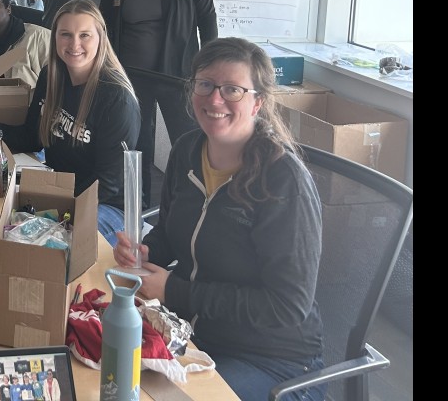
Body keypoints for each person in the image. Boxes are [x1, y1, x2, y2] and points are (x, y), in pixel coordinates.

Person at [114, 38, 324, 401]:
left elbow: (287, 306)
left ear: (257, 101)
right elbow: (170, 230)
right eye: (205, 85)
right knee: (112, 370)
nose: (214, 100)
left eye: (232, 90)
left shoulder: (283, 182)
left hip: (271, 359)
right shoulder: (187, 151)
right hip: (193, 333)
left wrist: (176, 291)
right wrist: (147, 251)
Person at [0, 0, 140, 246]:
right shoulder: (51, 76)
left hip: (108, 206)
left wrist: (56, 211)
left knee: (50, 246)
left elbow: (108, 184)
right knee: (0, 226)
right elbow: (31, 137)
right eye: (65, 34)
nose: (74, 44)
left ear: (100, 38)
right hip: (61, 190)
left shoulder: (116, 98)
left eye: (85, 35)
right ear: (54, 37)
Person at [101, 0, 218, 204]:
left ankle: (188, 206)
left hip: (178, 73)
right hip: (130, 75)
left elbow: (206, 18)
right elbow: (104, 23)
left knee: (187, 142)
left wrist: (211, 68)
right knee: (136, 147)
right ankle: (135, 208)